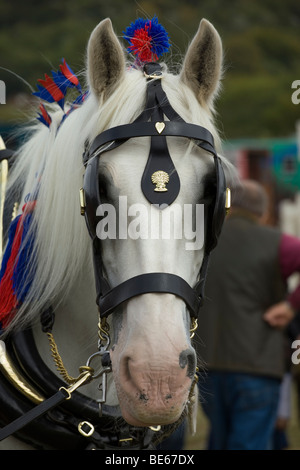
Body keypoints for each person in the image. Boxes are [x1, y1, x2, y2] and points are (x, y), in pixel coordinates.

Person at [195, 179, 300, 450]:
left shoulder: (200, 243)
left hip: (208, 365)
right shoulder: (279, 243)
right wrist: (290, 306)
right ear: (263, 211)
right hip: (258, 363)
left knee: (218, 439)